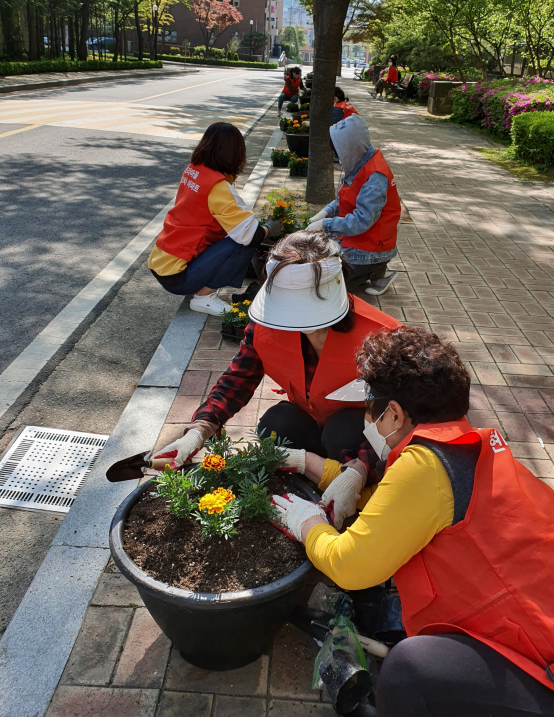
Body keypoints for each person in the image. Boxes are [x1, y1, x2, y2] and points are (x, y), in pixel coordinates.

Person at [273, 325, 554, 717]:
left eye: (369, 409)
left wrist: (306, 521)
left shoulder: (424, 467)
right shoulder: (460, 444)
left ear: (394, 414)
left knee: (411, 673)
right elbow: (395, 507)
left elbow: (350, 564)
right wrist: (313, 463)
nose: (366, 419)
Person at [149, 231, 400, 472]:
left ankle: (352, 478)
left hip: (364, 437)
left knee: (342, 431)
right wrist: (200, 428)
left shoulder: (383, 337)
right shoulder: (266, 325)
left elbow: (404, 416)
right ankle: (317, 473)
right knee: (277, 423)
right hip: (312, 420)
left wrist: (360, 470)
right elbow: (239, 378)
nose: (297, 323)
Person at [148, 122, 283, 316]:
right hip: (178, 277)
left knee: (235, 235)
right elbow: (249, 234)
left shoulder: (195, 170)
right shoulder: (217, 187)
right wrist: (270, 228)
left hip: (163, 261)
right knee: (243, 242)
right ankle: (203, 298)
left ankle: (202, 285)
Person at [306, 115, 399, 297]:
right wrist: (325, 212)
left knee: (330, 284)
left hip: (371, 244)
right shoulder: (362, 160)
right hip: (364, 239)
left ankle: (374, 268)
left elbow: (361, 221)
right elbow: (346, 199)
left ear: (351, 148)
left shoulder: (375, 177)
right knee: (324, 261)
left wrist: (325, 225)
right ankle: (374, 270)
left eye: (340, 150)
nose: (337, 155)